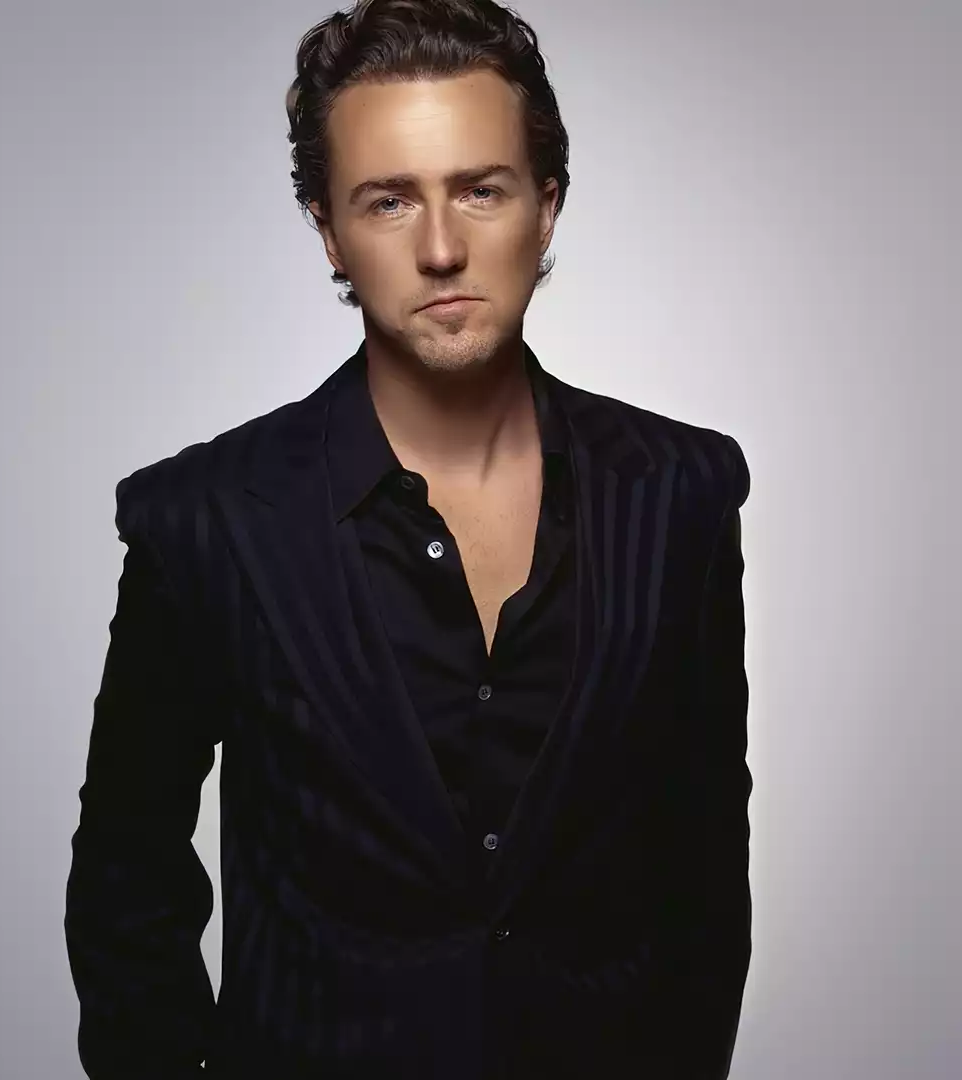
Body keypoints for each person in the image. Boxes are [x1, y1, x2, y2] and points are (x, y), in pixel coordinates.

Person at [63, 1, 753, 1075]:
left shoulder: (680, 493)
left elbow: (704, 874)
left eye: (481, 189)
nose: (440, 249)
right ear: (328, 230)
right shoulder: (205, 521)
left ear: (547, 206)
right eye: (389, 201)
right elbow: (126, 887)